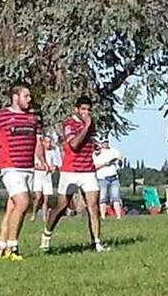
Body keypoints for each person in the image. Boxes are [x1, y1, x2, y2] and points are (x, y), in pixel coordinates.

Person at [0, 85, 45, 260]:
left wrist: (42, 160)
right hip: (10, 167)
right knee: (23, 203)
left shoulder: (34, 119)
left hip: (28, 168)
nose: (29, 99)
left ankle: (0, 247)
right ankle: (13, 247)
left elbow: (38, 142)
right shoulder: (1, 116)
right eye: (26, 96)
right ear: (15, 97)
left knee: (12, 208)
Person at [42, 96, 109, 253]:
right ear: (77, 110)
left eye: (88, 110)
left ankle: (96, 242)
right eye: (83, 109)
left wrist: (95, 146)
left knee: (93, 206)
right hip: (70, 170)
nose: (86, 113)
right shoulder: (69, 124)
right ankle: (46, 234)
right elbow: (74, 144)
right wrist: (86, 127)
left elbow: (88, 142)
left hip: (88, 170)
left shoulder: (91, 124)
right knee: (62, 206)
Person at [31, 135, 61, 223]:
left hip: (47, 177)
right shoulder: (38, 152)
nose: (49, 144)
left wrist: (53, 168)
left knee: (46, 198)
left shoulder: (53, 152)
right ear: (43, 142)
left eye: (50, 142)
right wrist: (44, 167)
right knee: (38, 197)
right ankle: (34, 213)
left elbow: (56, 164)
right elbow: (35, 165)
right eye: (47, 142)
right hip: (38, 176)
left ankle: (44, 216)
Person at [93, 139, 124, 219]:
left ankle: (118, 216)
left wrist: (119, 161)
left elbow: (119, 164)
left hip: (113, 177)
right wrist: (105, 164)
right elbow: (94, 166)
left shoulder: (114, 151)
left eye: (106, 142)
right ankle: (103, 216)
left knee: (116, 197)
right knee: (102, 198)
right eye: (103, 142)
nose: (105, 144)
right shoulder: (97, 153)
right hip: (102, 178)